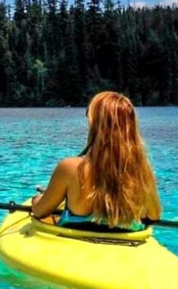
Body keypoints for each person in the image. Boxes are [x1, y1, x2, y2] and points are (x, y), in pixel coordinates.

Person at [31, 91, 161, 231]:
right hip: (125, 244)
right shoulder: (141, 170)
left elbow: (40, 211)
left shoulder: (70, 167)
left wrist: (37, 200)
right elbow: (154, 215)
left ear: (95, 123)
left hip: (76, 243)